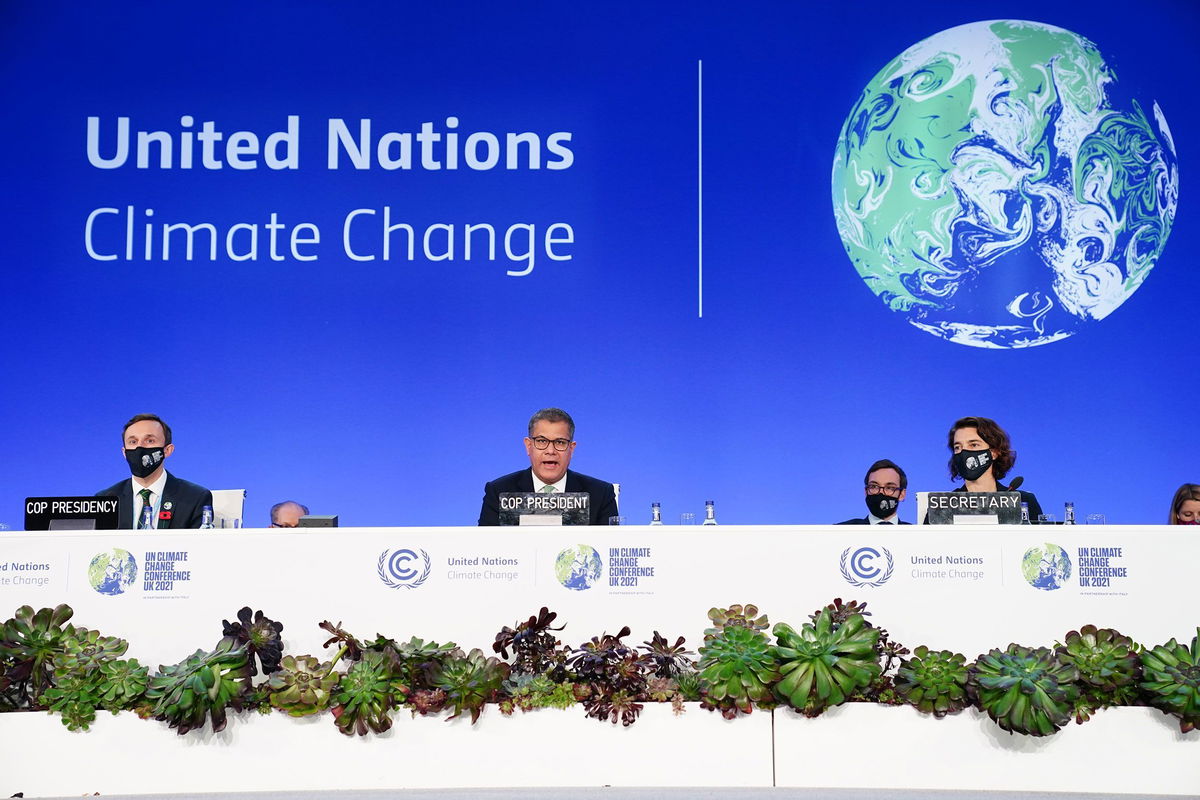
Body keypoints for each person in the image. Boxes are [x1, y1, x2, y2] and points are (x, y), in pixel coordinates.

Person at [478, 407, 618, 526]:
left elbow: (609, 550)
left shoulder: (600, 494)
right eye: (541, 441)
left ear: (571, 449)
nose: (550, 451)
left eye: (560, 442)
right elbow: (486, 548)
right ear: (528, 446)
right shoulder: (499, 492)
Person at [96, 413, 213, 529]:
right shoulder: (105, 500)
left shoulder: (194, 497)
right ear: (124, 452)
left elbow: (198, 546)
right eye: (133, 442)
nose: (140, 447)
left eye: (150, 441)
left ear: (167, 450)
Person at [944, 415, 1043, 521]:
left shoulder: (1023, 501)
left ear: (994, 453)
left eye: (973, 445)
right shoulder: (944, 505)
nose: (963, 453)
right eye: (957, 447)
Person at [837, 459, 911, 525]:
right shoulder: (839, 531)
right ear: (866, 492)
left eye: (889, 488)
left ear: (902, 494)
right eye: (874, 486)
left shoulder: (918, 534)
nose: (881, 492)